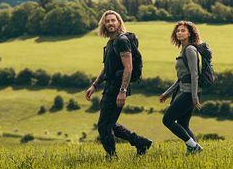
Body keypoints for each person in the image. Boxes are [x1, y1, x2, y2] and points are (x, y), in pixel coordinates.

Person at [86, 10, 152, 158]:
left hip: (118, 87)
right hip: (110, 85)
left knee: (104, 125)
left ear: (119, 22)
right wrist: (94, 85)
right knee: (110, 123)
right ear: (103, 24)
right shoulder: (111, 42)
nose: (110, 23)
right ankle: (141, 142)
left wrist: (122, 91)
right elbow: (106, 67)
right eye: (107, 21)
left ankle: (112, 157)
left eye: (113, 20)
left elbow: (128, 68)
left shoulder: (122, 41)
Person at [159, 21, 204, 154]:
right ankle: (194, 150)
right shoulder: (183, 50)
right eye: (178, 31)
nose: (180, 33)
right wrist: (167, 93)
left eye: (183, 30)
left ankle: (194, 146)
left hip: (190, 93)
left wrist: (194, 97)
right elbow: (181, 78)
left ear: (189, 33)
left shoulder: (190, 49)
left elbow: (194, 74)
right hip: (185, 91)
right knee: (183, 124)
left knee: (167, 120)